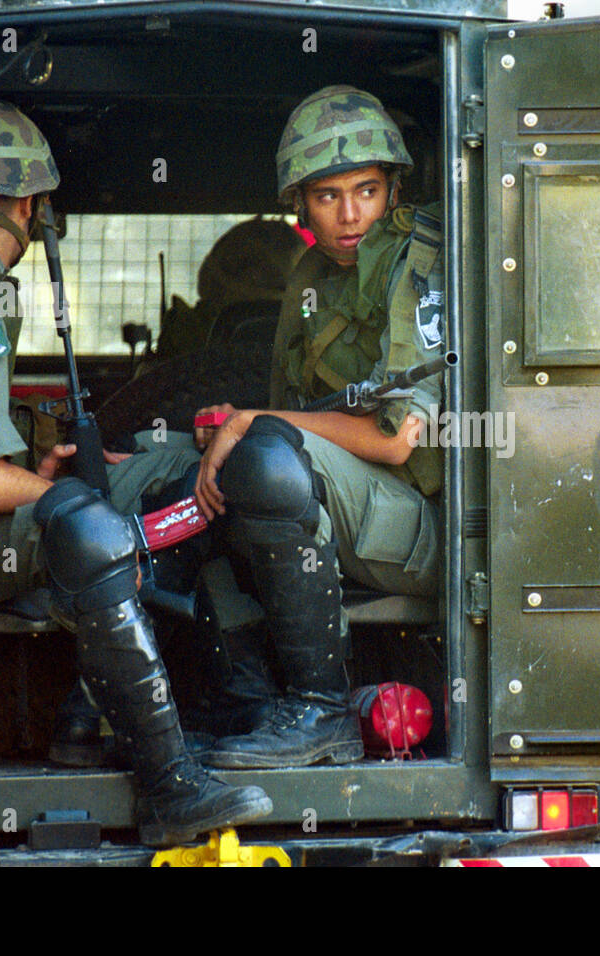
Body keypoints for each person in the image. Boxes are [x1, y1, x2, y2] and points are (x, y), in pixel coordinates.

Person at [0, 98, 271, 845]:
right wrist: (58, 493)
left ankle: (102, 713)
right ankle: (168, 780)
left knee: (156, 484)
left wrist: (43, 472)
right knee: (94, 528)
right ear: (29, 205)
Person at [192, 85, 446, 769]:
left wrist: (254, 424)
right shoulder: (310, 272)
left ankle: (322, 710)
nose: (350, 213)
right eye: (327, 195)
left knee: (264, 456)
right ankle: (249, 703)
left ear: (393, 187)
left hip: (422, 526)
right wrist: (232, 430)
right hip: (350, 506)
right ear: (299, 203)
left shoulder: (417, 263)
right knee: (210, 491)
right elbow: (292, 409)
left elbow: (396, 440)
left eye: (366, 189)